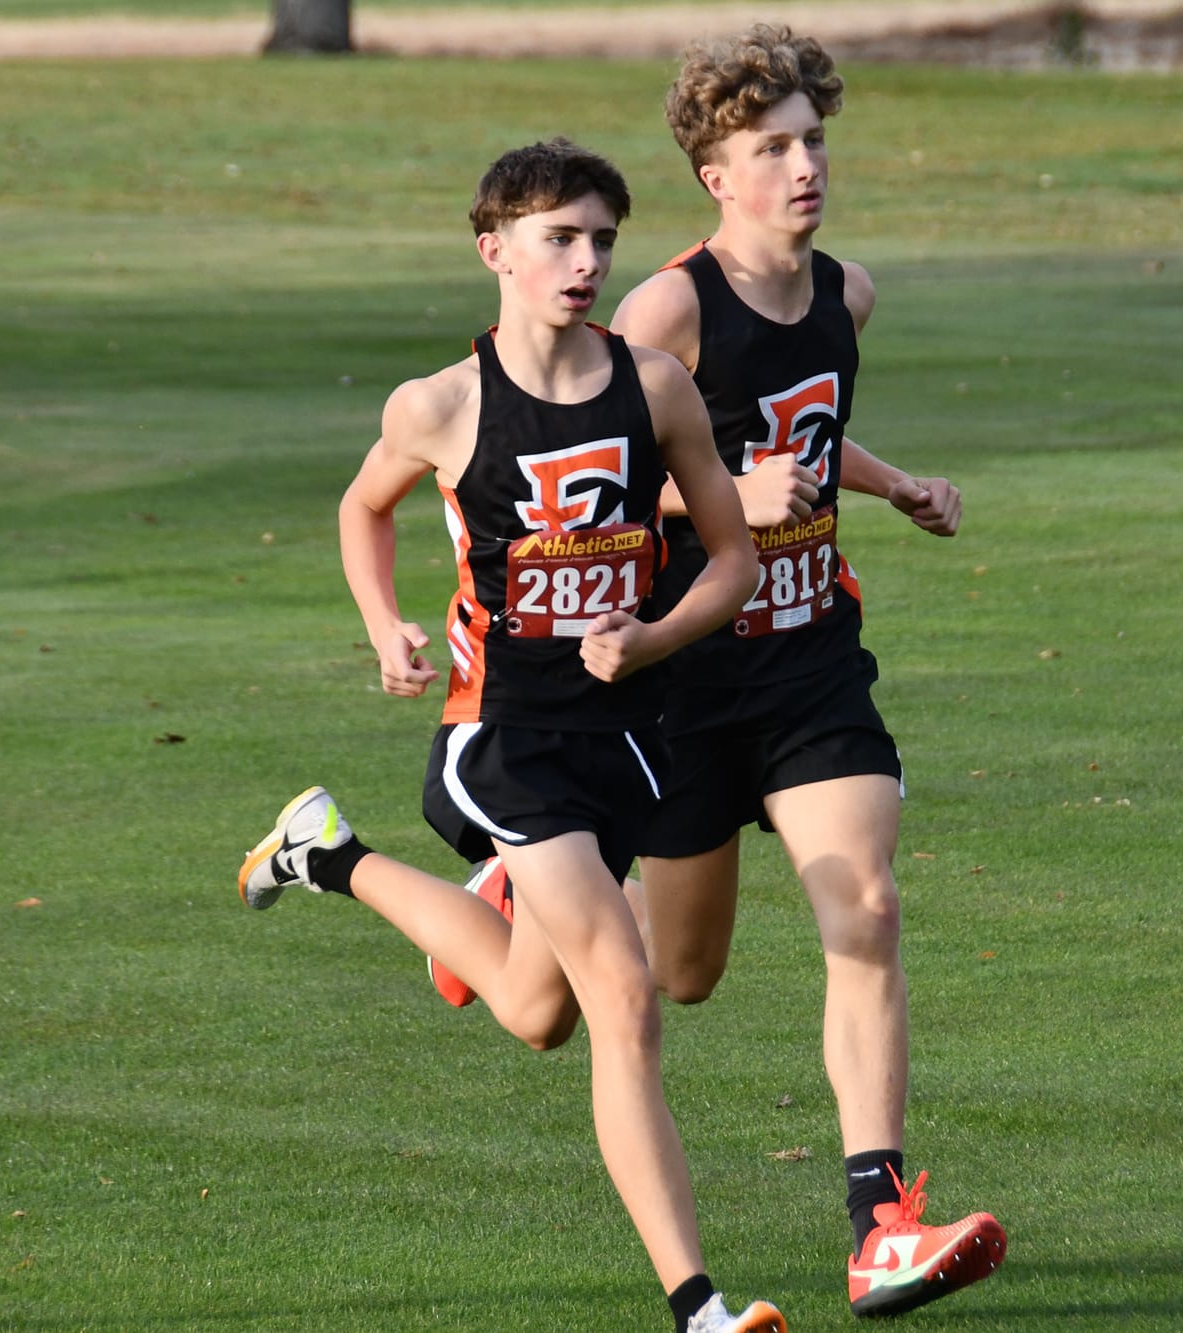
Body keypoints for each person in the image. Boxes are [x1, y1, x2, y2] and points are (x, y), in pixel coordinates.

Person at [239, 139, 783, 1333]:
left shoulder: (655, 386)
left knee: (538, 1012)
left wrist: (650, 638)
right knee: (623, 996)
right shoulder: (438, 405)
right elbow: (360, 505)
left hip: (626, 733)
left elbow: (733, 557)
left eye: (599, 239)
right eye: (558, 238)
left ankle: (322, 850)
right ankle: (697, 1307)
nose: (584, 261)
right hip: (499, 739)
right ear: (494, 250)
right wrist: (383, 625)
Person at [607, 26, 1004, 1318]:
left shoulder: (849, 292)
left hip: (810, 660)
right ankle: (522, 891)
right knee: (683, 972)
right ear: (714, 174)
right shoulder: (668, 309)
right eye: (770, 148)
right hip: (685, 674)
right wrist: (715, 493)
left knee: (869, 908)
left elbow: (812, 429)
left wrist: (890, 487)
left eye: (812, 140)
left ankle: (879, 1220)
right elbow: (591, 484)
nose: (803, 166)